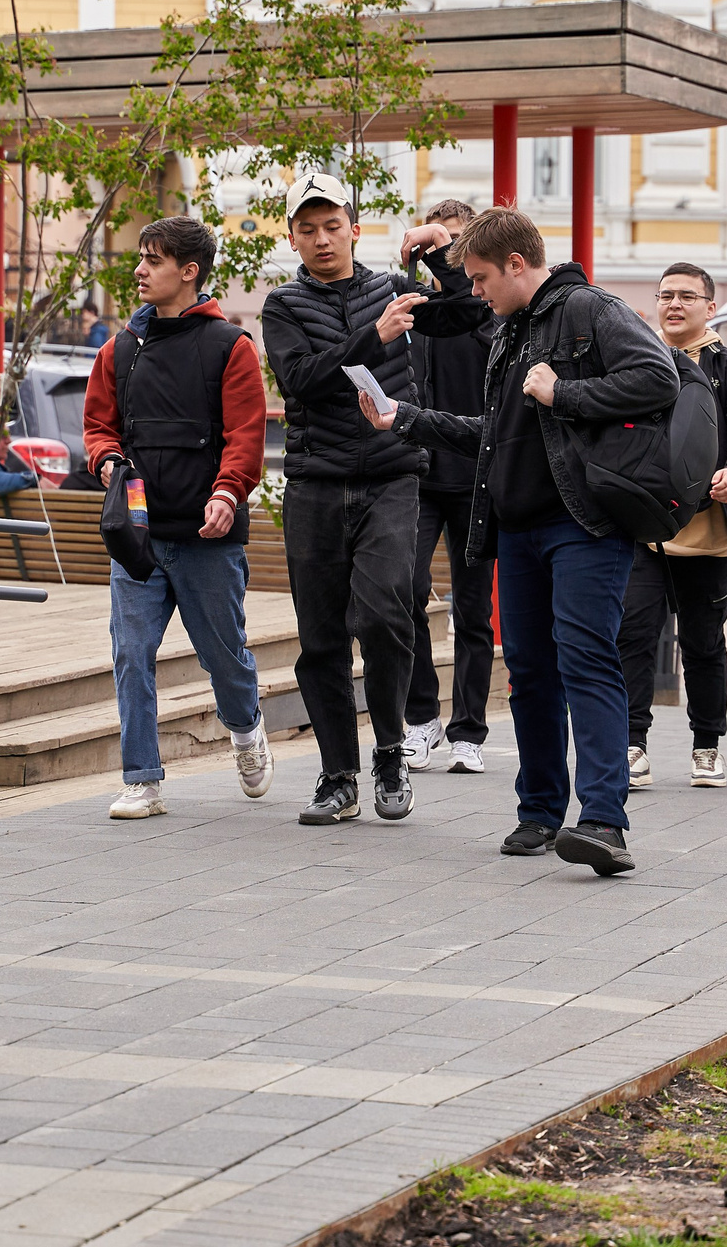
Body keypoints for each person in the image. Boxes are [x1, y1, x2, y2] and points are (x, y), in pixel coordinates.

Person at [367, 208, 679, 877]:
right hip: (521, 526)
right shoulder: (510, 332)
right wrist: (410, 419)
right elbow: (497, 430)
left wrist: (565, 391)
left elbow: (659, 378)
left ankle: (603, 821)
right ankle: (539, 811)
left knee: (587, 661)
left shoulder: (590, 308)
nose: (475, 291)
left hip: (583, 523)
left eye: (480, 277)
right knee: (532, 673)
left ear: (517, 263)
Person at [261, 172, 479, 826]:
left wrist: (442, 253)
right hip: (315, 484)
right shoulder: (283, 305)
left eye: (333, 226)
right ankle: (337, 774)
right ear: (293, 237)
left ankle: (390, 745)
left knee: (387, 613)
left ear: (354, 229)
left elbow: (469, 311)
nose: (322, 238)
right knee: (321, 637)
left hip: (391, 476)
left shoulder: (395, 289)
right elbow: (301, 378)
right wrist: (374, 337)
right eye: (308, 228)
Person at [83, 216, 274, 819]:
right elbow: (99, 425)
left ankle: (246, 729)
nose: (139, 270)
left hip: (207, 535)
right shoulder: (121, 348)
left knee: (224, 657)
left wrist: (227, 494)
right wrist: (107, 459)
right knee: (130, 652)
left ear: (189, 271)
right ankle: (142, 778)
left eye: (153, 260)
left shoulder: (231, 346)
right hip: (138, 531)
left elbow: (246, 434)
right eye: (141, 258)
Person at [617, 262, 727, 789]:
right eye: (666, 295)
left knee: (703, 644)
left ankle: (707, 745)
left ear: (711, 304)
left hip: (707, 536)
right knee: (632, 636)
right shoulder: (636, 354)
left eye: (686, 296)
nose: (674, 304)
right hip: (643, 528)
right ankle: (632, 745)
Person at [397, 200, 495, 776]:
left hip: (476, 475)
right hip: (418, 474)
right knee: (403, 591)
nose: (447, 253)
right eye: (439, 242)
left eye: (457, 243)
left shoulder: (484, 311)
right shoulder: (413, 309)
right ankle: (421, 719)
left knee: (474, 608)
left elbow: (470, 309)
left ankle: (469, 731)